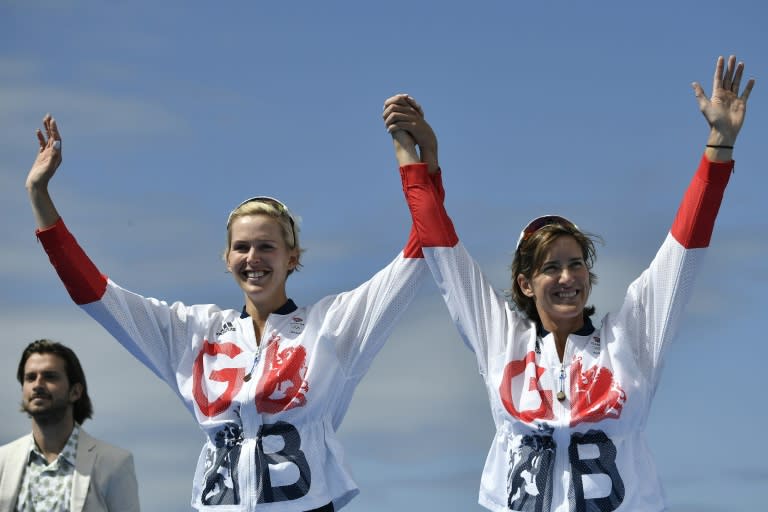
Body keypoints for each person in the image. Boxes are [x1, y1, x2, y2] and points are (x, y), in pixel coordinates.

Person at [383, 55, 754, 511]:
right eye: (550, 268)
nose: (566, 278)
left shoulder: (629, 340)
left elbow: (684, 250)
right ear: (524, 283)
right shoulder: (501, 340)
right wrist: (415, 158)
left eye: (576, 264)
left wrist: (719, 145)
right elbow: (443, 252)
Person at [24, 107, 436, 511]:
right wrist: (39, 196)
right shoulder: (193, 332)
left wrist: (416, 159)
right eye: (242, 247)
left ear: (292, 258)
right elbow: (95, 293)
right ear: (226, 257)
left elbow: (424, 249)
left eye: (267, 247)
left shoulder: (332, 325)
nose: (253, 257)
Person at [0, 339, 140, 511]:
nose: (37, 385)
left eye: (49, 376)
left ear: (75, 392)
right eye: (30, 378)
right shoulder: (3, 461)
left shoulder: (113, 463)